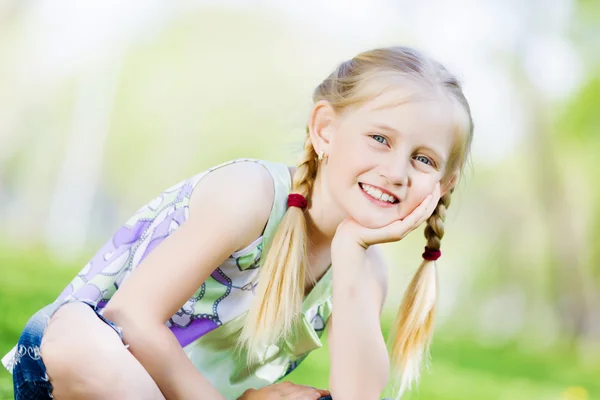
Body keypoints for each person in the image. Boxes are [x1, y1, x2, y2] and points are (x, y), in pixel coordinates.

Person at [2, 45, 473, 400]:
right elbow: (132, 319)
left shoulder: (365, 273)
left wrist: (351, 252)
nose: (396, 172)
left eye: (423, 160)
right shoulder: (251, 194)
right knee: (82, 341)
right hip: (83, 361)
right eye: (379, 138)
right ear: (325, 129)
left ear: (443, 185)